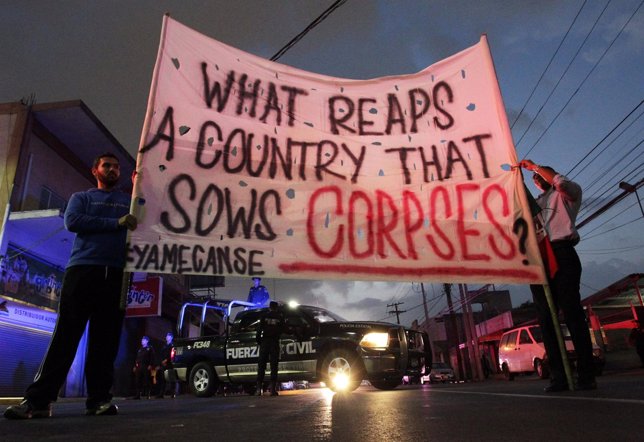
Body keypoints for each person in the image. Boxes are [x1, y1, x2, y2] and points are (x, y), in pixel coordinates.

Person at [4, 153, 137, 419]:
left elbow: (149, 219)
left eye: (116, 167)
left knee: (106, 341)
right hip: (83, 270)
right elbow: (73, 221)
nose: (112, 170)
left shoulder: (129, 202)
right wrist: (115, 223)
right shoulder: (83, 198)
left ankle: (99, 400)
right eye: (106, 166)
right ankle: (38, 401)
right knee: (66, 336)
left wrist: (142, 189)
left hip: (118, 275)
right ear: (95, 171)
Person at [519, 159, 596, 392]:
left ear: (551, 173)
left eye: (542, 174)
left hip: (562, 254)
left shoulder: (568, 194)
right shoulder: (538, 203)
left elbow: (560, 183)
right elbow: (522, 210)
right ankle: (558, 376)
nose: (537, 178)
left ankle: (586, 374)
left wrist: (534, 166)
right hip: (540, 258)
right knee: (546, 318)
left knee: (572, 312)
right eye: (535, 177)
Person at [255, 301, 284, 396]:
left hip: (265, 342)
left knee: (261, 365)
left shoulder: (264, 316)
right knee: (274, 366)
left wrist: (260, 341)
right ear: (276, 308)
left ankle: (259, 389)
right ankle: (272, 389)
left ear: (269, 307)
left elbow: (259, 330)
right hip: (274, 342)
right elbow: (284, 329)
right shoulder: (280, 317)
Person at [155, 332, 177, 398]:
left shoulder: (173, 345)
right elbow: (161, 355)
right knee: (162, 379)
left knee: (171, 378)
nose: (167, 337)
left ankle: (172, 393)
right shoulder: (164, 345)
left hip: (170, 364)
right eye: (167, 336)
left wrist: (167, 360)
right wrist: (160, 363)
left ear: (171, 337)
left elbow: (173, 354)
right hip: (163, 364)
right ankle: (161, 394)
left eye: (168, 336)